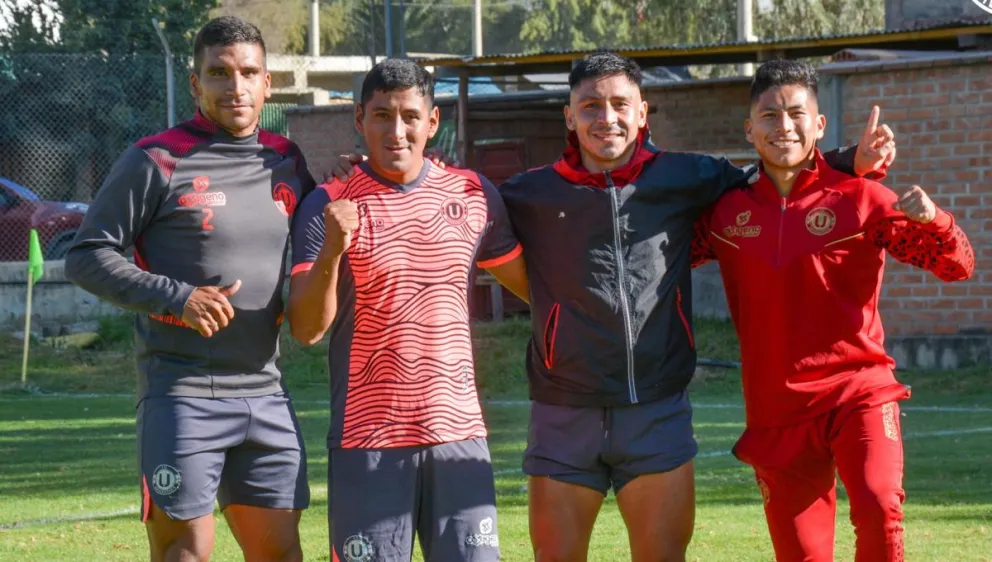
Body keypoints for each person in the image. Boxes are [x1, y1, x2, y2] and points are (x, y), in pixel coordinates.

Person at [329, 52, 896, 561]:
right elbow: (436, 190)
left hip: (656, 411)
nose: (607, 118)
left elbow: (772, 173)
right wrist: (358, 174)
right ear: (569, 117)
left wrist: (845, 160)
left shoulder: (687, 176)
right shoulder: (527, 193)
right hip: (562, 412)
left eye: (620, 104)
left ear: (643, 112)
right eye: (590, 106)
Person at [691, 59, 974, 562]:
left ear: (819, 125)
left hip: (858, 391)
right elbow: (651, 260)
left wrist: (936, 220)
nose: (785, 127)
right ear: (749, 129)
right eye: (770, 116)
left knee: (879, 508)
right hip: (776, 410)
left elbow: (958, 268)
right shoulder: (722, 214)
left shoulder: (863, 198)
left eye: (797, 114)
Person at [65, 16, 312, 562]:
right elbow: (85, 257)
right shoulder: (156, 158)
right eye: (219, 73)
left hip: (266, 391)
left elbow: (323, 236)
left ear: (268, 83)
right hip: (182, 392)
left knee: (282, 555)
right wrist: (179, 297)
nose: (236, 87)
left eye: (249, 72)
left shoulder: (287, 160)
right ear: (196, 84)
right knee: (184, 554)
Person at [287, 58, 528, 562]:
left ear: (432, 121)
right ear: (359, 120)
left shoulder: (474, 195)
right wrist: (334, 248)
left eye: (409, 116)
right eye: (381, 116)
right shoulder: (327, 203)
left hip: (458, 436)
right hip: (366, 440)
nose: (396, 131)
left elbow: (537, 288)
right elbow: (307, 329)